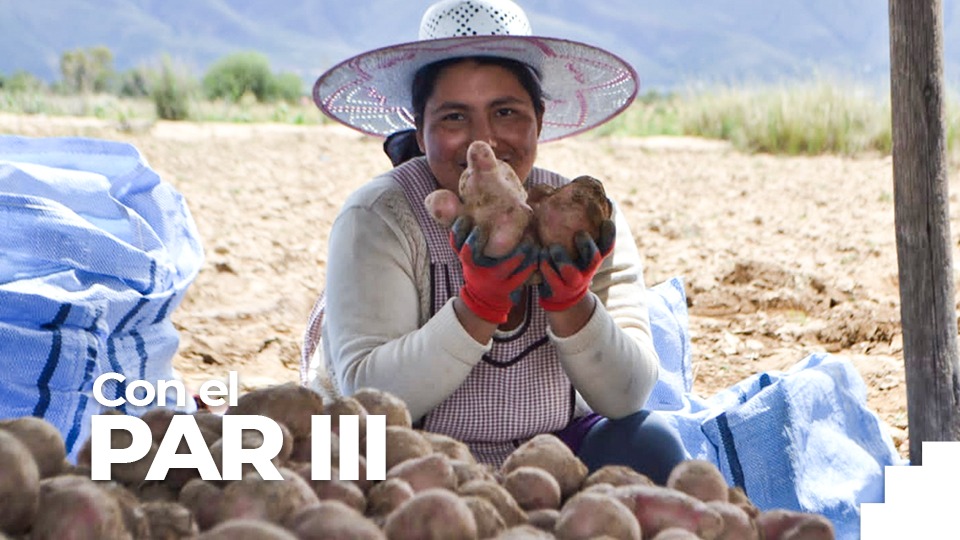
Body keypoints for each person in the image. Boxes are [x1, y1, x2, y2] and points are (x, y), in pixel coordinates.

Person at [302, 0, 686, 484]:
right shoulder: (380, 216)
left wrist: (570, 303)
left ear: (539, 120)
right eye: (453, 118)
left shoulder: (582, 218)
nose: (482, 142)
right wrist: (480, 304)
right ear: (420, 131)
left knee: (650, 444)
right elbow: (369, 399)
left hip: (554, 456)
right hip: (412, 458)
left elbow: (626, 397)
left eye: (506, 112)